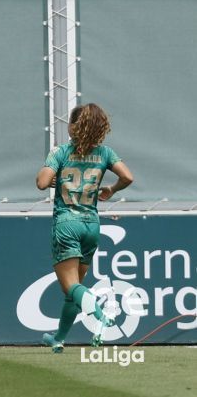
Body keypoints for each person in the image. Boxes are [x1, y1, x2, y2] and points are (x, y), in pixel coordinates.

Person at [36, 103, 133, 353]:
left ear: (72, 126)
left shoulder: (60, 152)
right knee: (74, 290)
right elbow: (128, 177)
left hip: (67, 223)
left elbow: (42, 182)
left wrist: (57, 177)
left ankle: (100, 315)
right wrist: (111, 189)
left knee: (71, 287)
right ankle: (59, 338)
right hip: (91, 224)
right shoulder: (105, 153)